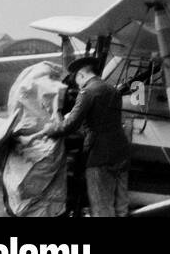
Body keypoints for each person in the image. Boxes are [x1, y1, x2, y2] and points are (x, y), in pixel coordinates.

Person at [43, 58, 130, 217]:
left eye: (76, 80)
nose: (77, 85)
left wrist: (49, 130)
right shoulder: (113, 90)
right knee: (121, 206)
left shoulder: (87, 92)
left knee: (102, 207)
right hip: (122, 151)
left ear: (81, 75)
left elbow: (70, 125)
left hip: (100, 155)